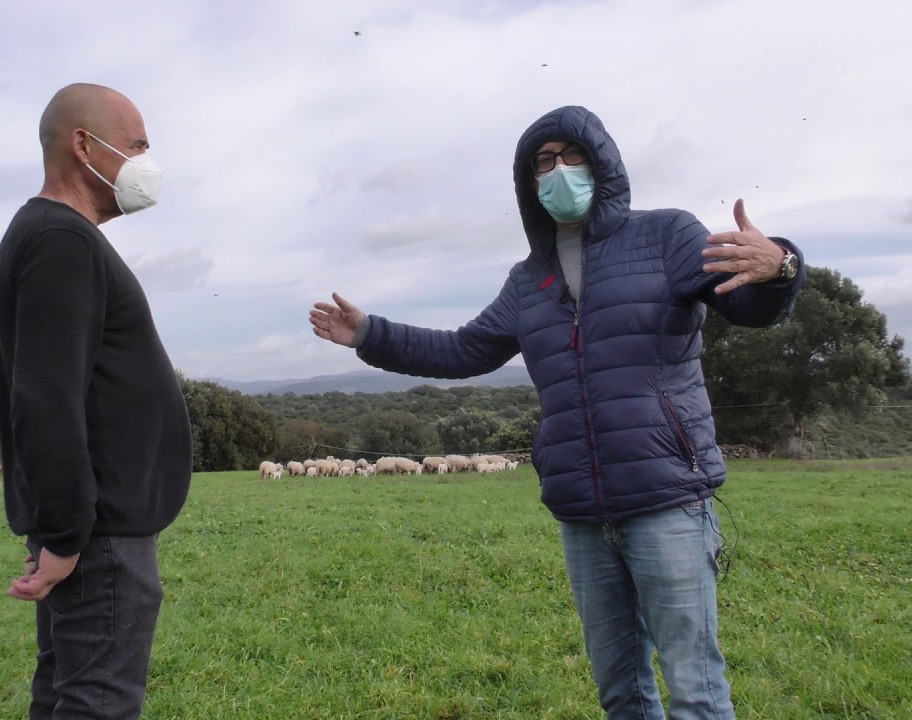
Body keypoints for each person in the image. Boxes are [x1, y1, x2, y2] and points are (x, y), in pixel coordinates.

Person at [310, 105, 804, 719]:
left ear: (602, 165)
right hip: (583, 513)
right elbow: (463, 350)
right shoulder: (528, 281)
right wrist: (369, 334)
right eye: (544, 162)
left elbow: (750, 307)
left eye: (572, 156)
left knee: (696, 689)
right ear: (529, 183)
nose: (559, 170)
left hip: (668, 500)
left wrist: (780, 267)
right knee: (621, 693)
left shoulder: (667, 236)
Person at [0, 82, 193, 720]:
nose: (146, 163)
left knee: (67, 692)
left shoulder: (51, 236)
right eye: (136, 146)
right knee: (97, 702)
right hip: (99, 533)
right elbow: (46, 399)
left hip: (89, 529)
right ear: (84, 145)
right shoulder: (62, 240)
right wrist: (67, 535)